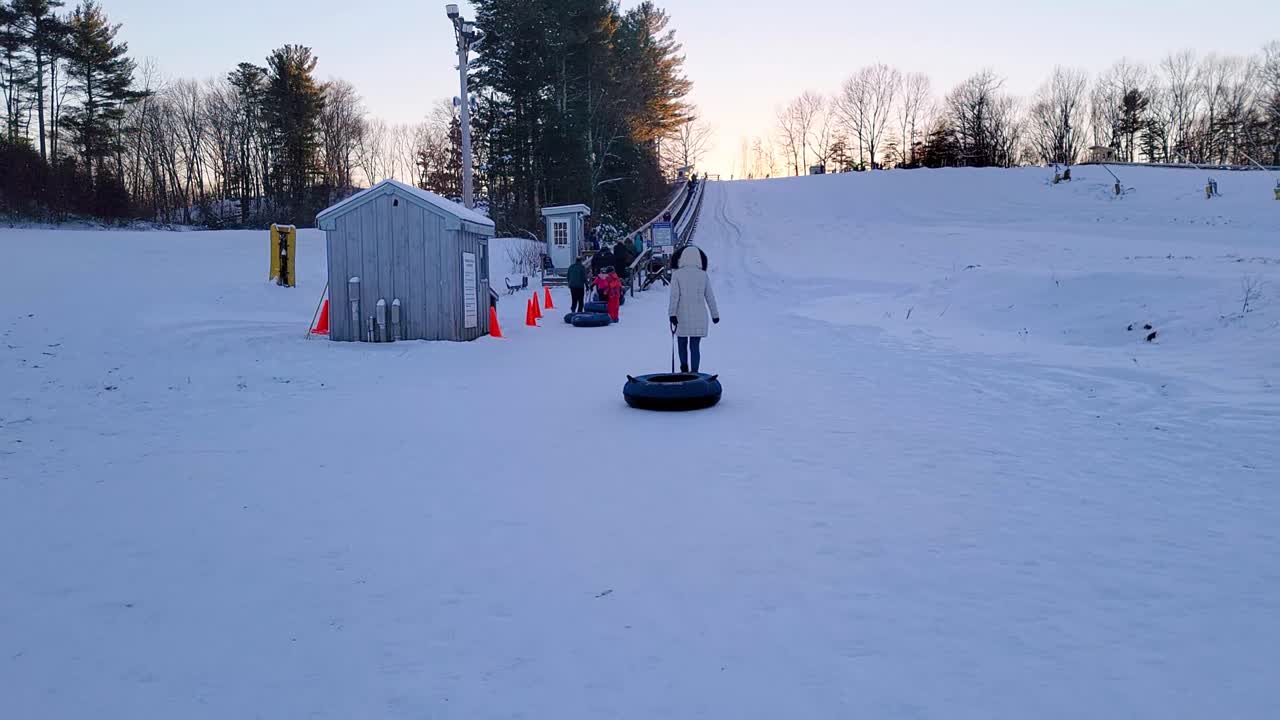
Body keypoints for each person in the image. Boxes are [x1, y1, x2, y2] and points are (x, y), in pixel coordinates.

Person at [667, 244, 720, 374]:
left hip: (681, 316)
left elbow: (674, 297)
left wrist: (672, 314)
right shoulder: (703, 275)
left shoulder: (677, 274)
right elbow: (710, 297)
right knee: (695, 346)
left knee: (682, 344)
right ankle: (695, 373)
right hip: (700, 316)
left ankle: (684, 369)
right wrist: (715, 315)